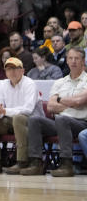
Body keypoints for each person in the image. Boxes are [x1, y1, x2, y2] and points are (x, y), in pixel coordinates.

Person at [21, 47, 87, 177]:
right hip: (60, 122)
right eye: (70, 58)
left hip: (81, 123)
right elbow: (51, 106)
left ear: (83, 61)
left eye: (77, 58)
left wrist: (60, 99)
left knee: (62, 119)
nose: (73, 61)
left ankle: (66, 164)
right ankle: (36, 163)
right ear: (67, 61)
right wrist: (71, 104)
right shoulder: (60, 82)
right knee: (35, 120)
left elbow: (80, 101)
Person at [0, 57, 42, 174]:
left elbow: (27, 110)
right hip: (9, 120)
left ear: (22, 71)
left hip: (32, 122)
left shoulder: (29, 84)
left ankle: (22, 161)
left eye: (15, 68)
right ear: (5, 72)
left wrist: (3, 111)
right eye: (9, 69)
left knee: (19, 118)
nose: (12, 72)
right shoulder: (2, 85)